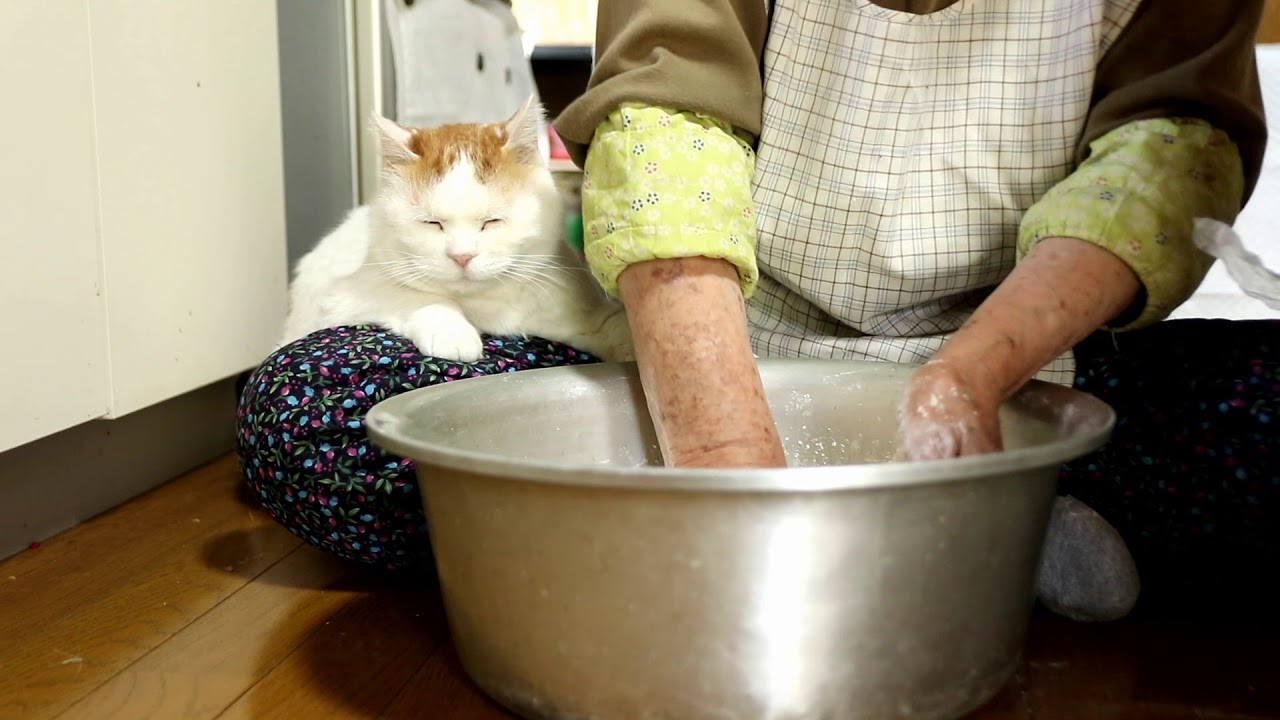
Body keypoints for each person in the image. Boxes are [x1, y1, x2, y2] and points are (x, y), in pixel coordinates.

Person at [236, 0, 1277, 622]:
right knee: (307, 412)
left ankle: (1015, 516)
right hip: (713, 345)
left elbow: (1169, 143)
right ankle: (932, 556)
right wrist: (733, 480)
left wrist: (973, 378)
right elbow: (659, 122)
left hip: (1035, 371)